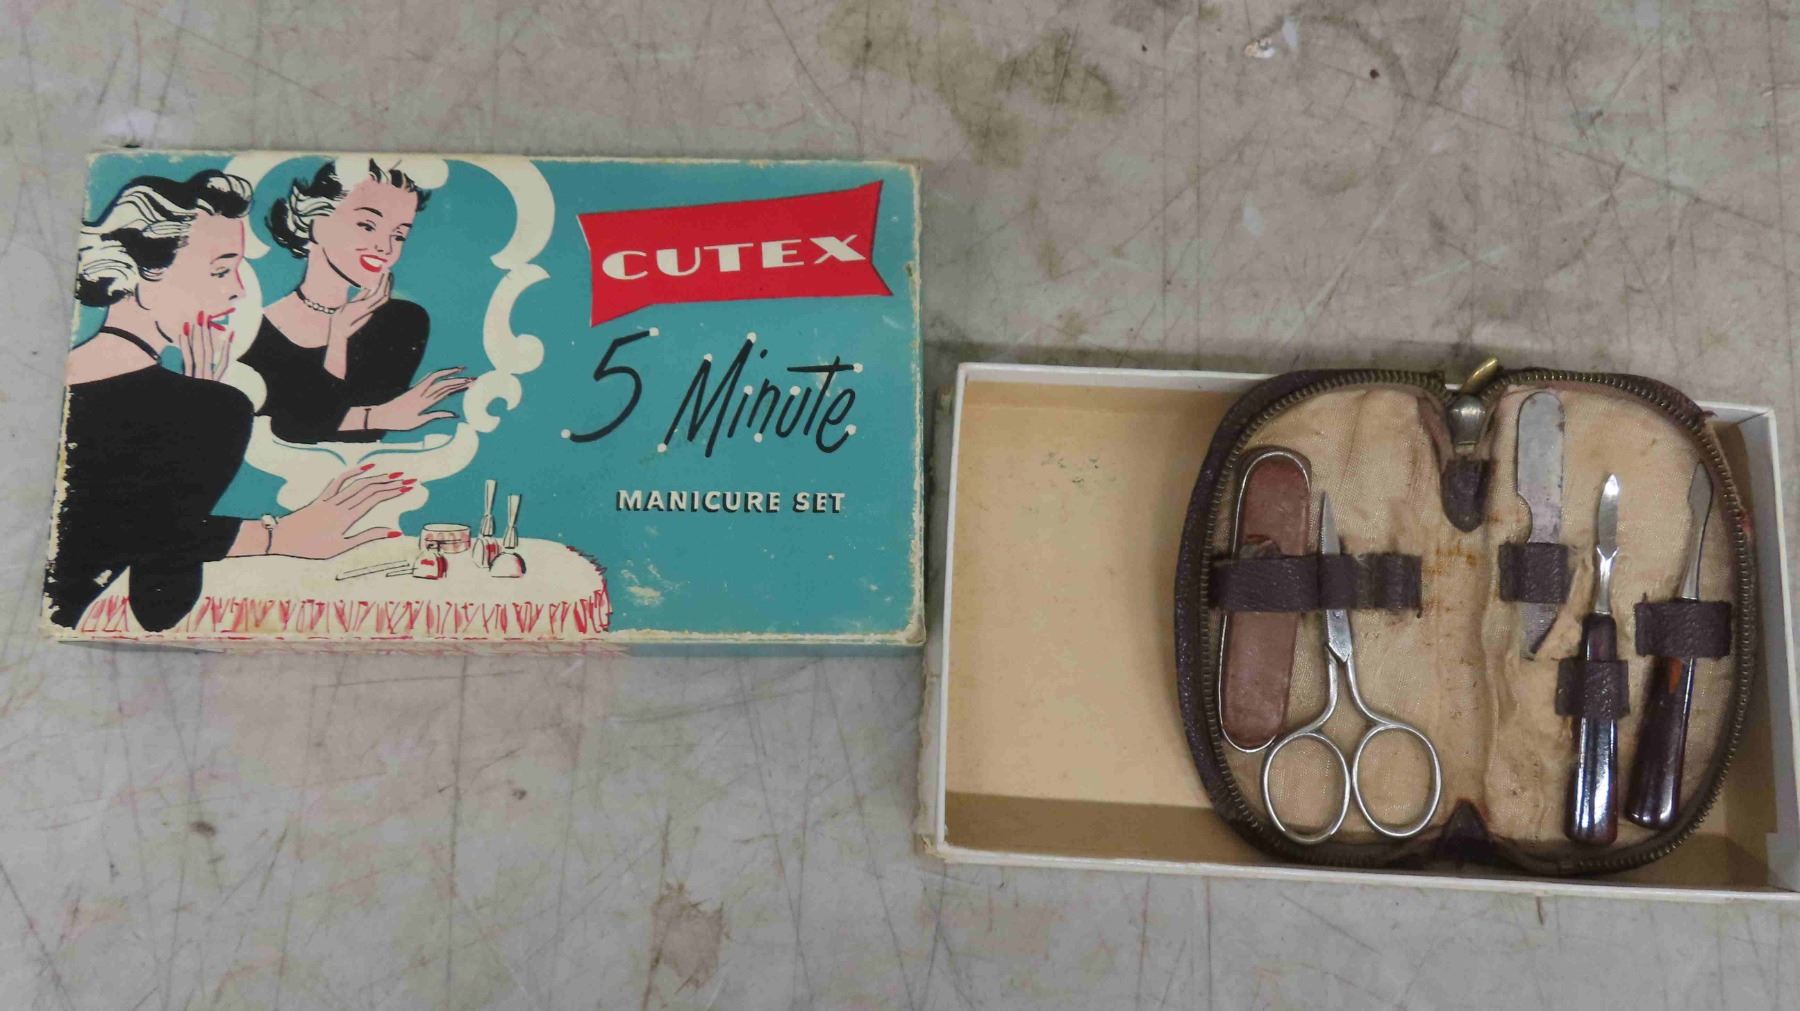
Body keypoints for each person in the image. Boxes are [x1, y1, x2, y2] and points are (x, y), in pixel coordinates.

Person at [48, 169, 413, 631]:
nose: (238, 288)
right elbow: (160, 608)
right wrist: (277, 534)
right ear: (141, 276)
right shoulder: (216, 410)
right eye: (221, 270)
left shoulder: (57, 386)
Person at [242, 158, 471, 444]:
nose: (384, 247)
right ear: (317, 225)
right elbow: (288, 429)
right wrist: (338, 339)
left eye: (399, 235)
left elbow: (348, 430)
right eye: (367, 225)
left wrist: (370, 418)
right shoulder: (251, 334)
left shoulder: (401, 323)